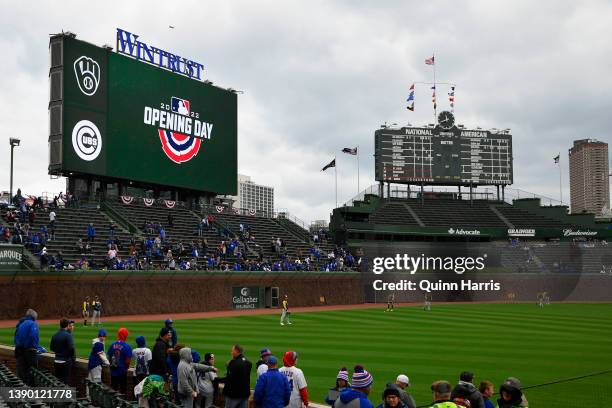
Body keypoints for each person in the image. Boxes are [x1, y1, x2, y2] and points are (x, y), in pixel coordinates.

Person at [14, 309, 40, 385]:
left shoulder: (21, 324)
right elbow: (33, 336)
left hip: (20, 351)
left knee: (22, 374)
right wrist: (34, 348)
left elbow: (16, 338)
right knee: (32, 373)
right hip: (29, 351)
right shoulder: (32, 324)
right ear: (34, 316)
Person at [50, 318, 76, 384]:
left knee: (57, 381)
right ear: (67, 325)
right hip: (65, 361)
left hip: (56, 360)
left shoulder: (54, 335)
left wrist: (59, 352)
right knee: (65, 381)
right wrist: (72, 358)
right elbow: (71, 349)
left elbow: (51, 348)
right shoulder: (68, 335)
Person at [107, 327, 132, 394]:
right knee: (122, 391)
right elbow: (128, 361)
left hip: (113, 371)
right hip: (122, 372)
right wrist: (126, 368)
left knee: (113, 390)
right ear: (125, 335)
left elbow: (109, 357)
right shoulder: (127, 346)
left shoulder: (112, 345)